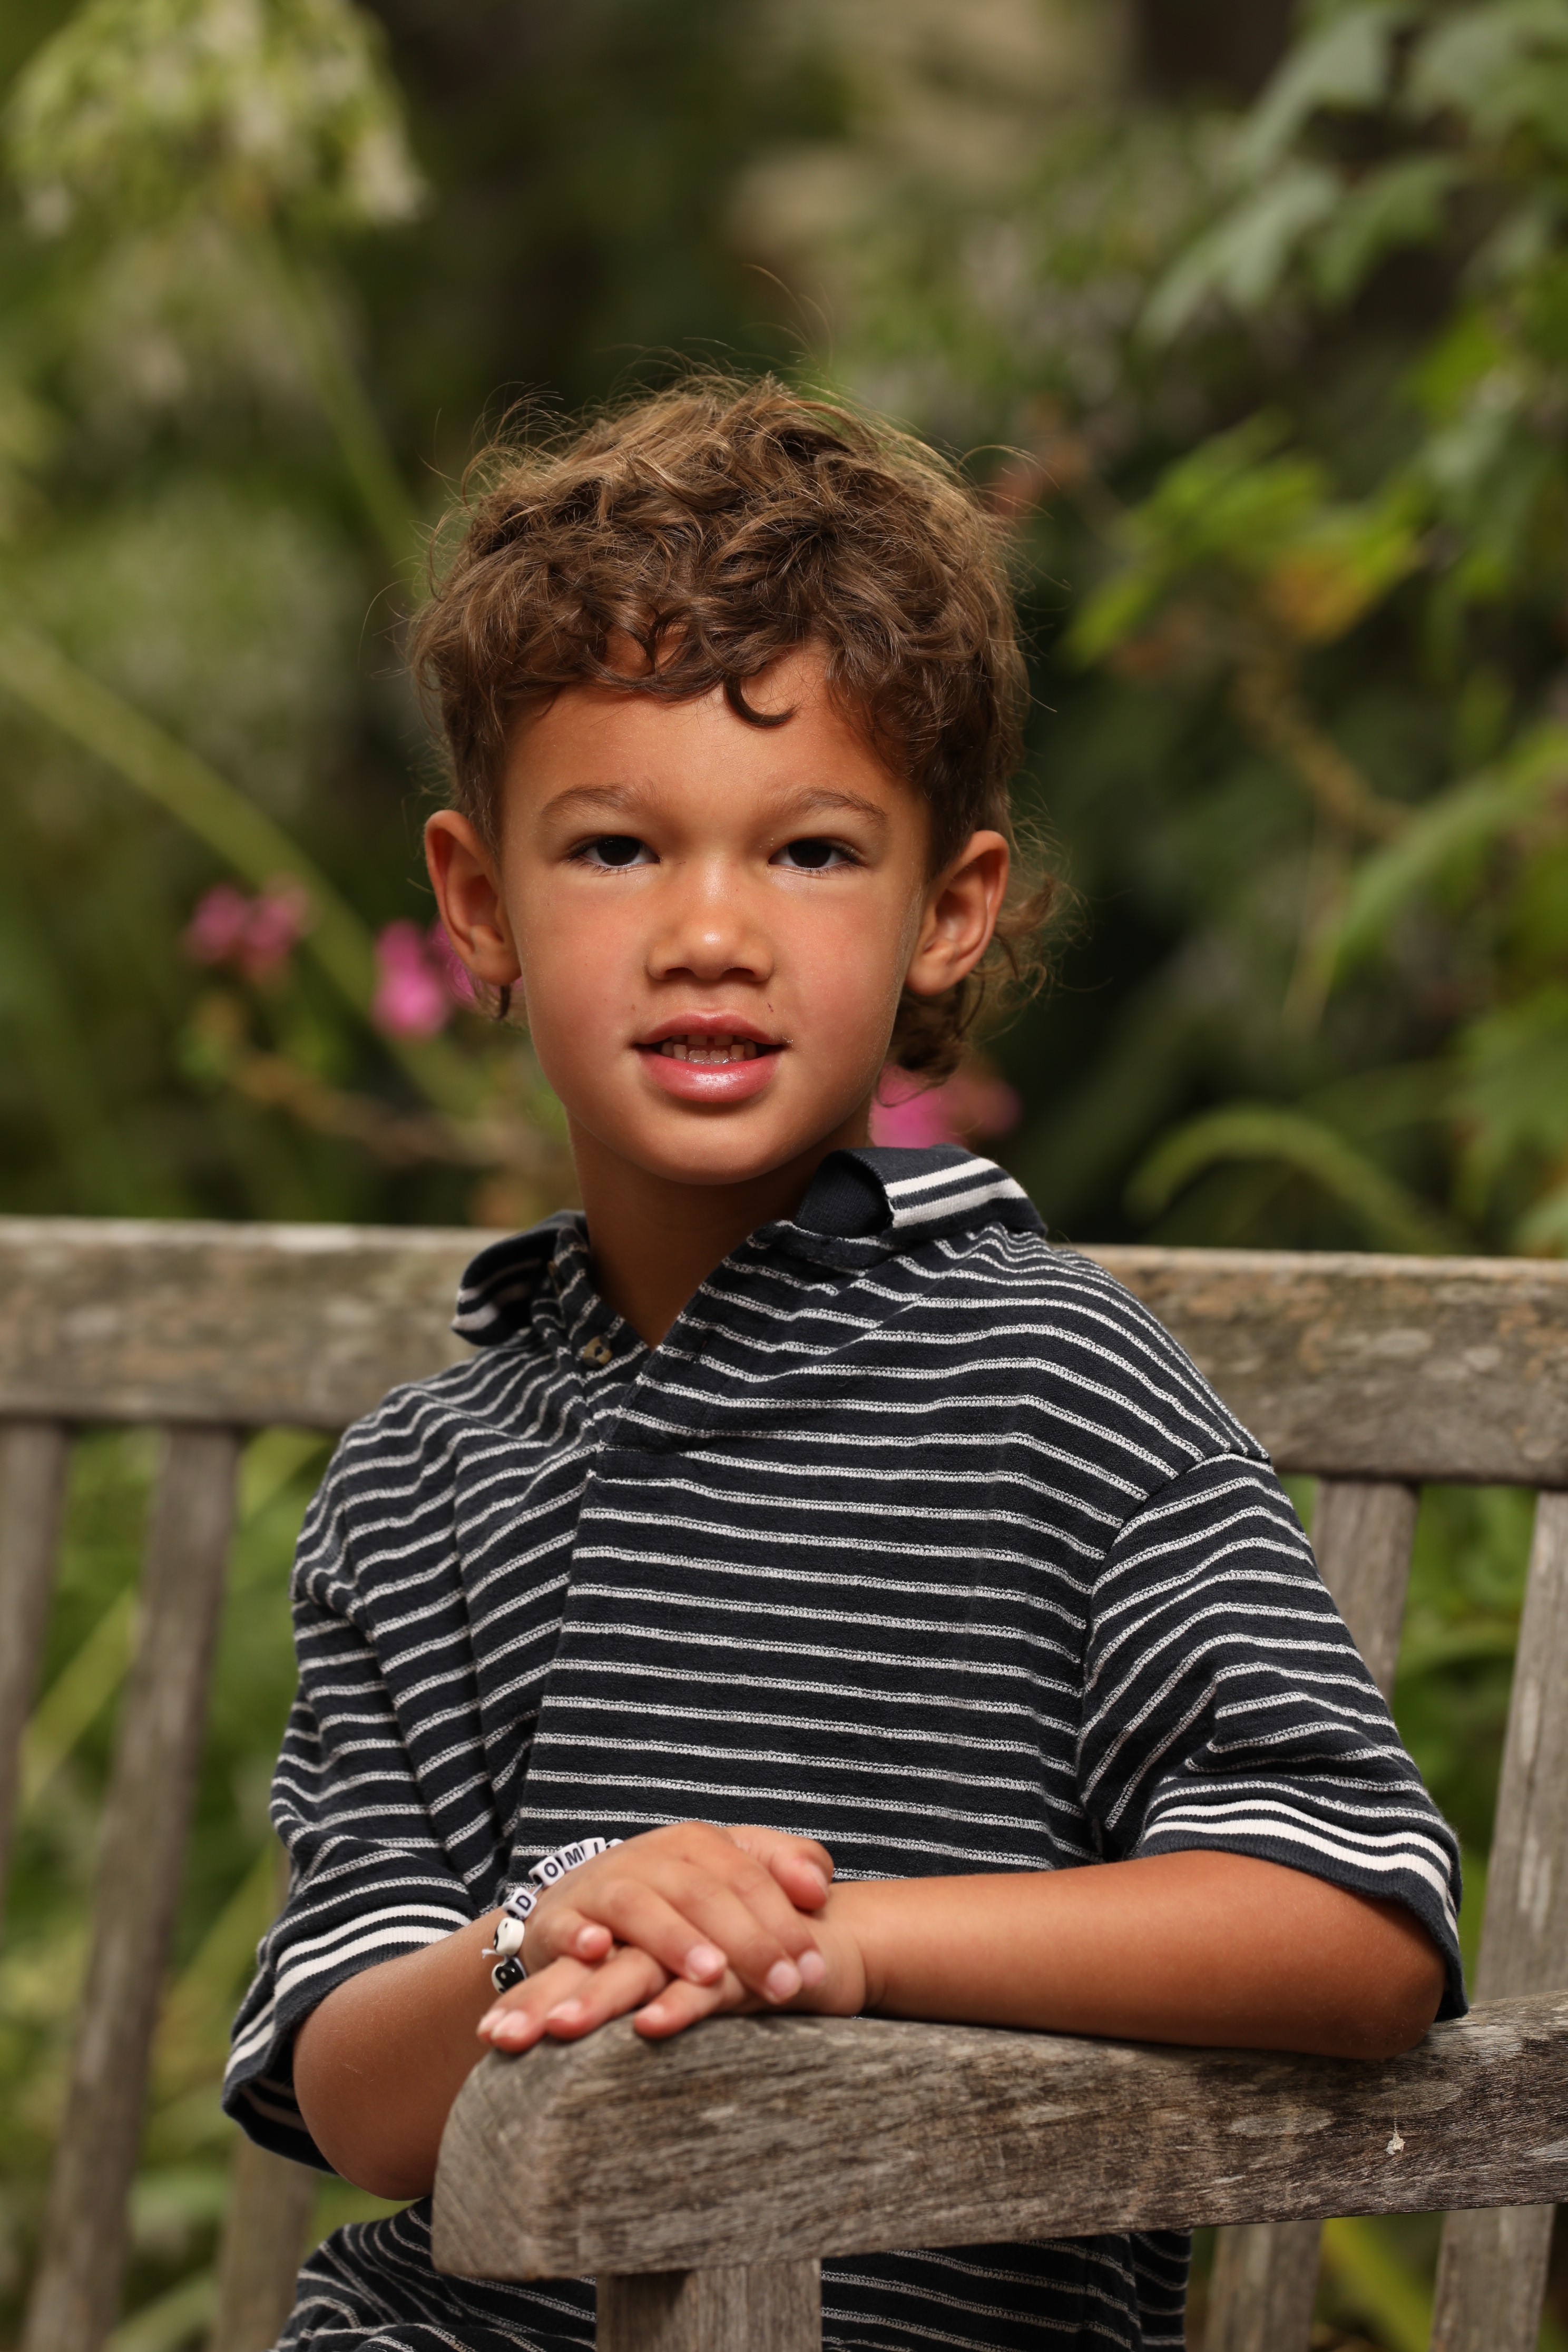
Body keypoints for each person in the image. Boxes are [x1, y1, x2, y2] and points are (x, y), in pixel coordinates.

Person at [223, 378, 1462, 2352]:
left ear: (946, 913)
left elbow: (1357, 1924)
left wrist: (832, 1945)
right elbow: (359, 2102)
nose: (710, 931)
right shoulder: (415, 1489)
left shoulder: (1054, 1385)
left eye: (808, 853)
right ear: (479, 906)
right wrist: (551, 1926)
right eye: (616, 848)